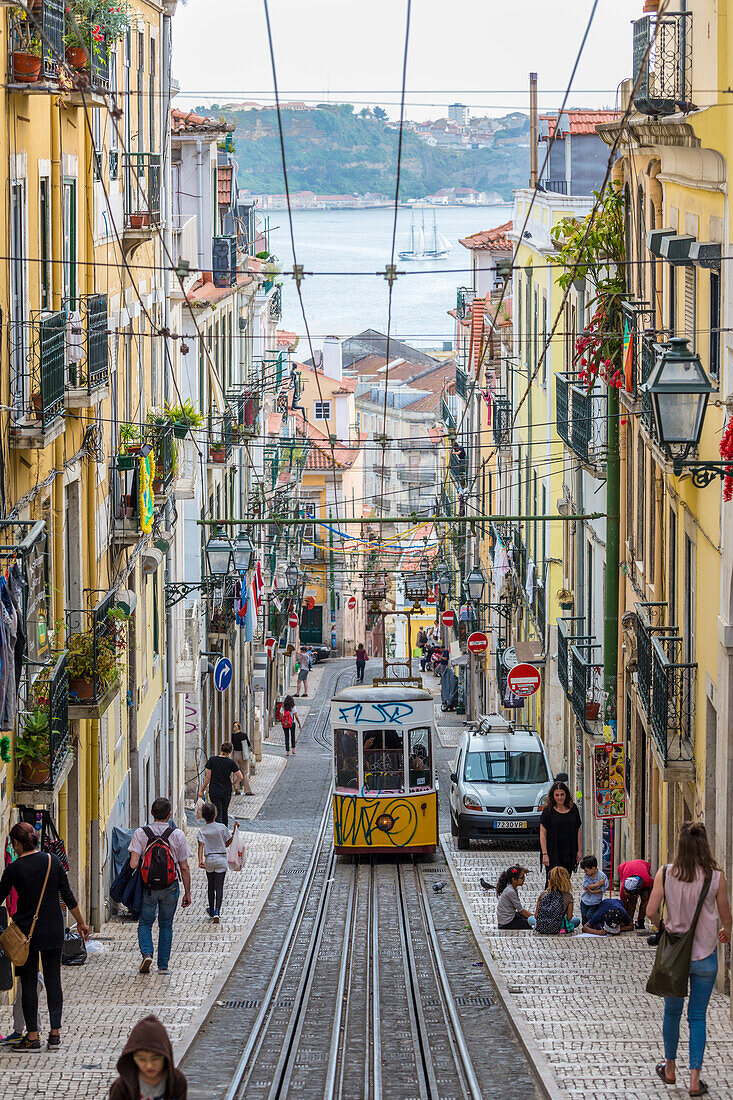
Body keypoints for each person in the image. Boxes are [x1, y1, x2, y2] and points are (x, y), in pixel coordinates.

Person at [647, 821, 731, 1097]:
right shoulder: (716, 877)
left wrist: (664, 928)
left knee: (672, 1012)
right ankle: (695, 1080)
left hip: (675, 958)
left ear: (680, 844)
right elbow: (726, 918)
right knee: (697, 1017)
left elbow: (650, 912)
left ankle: (670, 1068)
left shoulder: (666, 873)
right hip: (705, 956)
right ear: (705, 844)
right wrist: (724, 931)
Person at [0, 822, 89, 1052]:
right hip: (53, 929)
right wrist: (81, 922)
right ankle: (55, 1035)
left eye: (13, 843)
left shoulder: (15, 869)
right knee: (53, 980)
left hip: (26, 933)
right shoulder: (53, 861)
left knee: (28, 982)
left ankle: (32, 1037)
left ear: (17, 843)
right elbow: (68, 896)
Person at [129, 798, 192, 975]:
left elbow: (134, 864)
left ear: (151, 813)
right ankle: (163, 965)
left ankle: (147, 954)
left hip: (148, 887)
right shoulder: (177, 835)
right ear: (169, 814)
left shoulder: (141, 833)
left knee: (145, 923)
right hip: (170, 886)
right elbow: (184, 866)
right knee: (166, 924)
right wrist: (187, 892)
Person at [109, 1014, 187, 1100]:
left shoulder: (177, 1082)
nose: (149, 1065)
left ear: (165, 1057)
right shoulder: (122, 1087)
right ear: (133, 1058)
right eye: (142, 1059)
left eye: (155, 1059)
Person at [197, 803, 237, 922]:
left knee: (211, 885)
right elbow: (227, 843)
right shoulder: (221, 827)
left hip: (209, 858)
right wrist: (234, 831)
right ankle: (217, 912)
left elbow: (200, 846)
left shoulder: (202, 830)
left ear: (203, 816)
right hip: (221, 858)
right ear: (215, 815)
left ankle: (211, 909)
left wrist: (200, 860)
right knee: (219, 887)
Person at [539, 781, 582, 881]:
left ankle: (563, 897)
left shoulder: (573, 809)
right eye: (557, 795)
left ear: (566, 794)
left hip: (569, 851)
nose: (560, 797)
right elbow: (542, 834)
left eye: (562, 794)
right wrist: (545, 854)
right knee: (553, 881)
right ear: (552, 796)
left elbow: (578, 830)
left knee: (565, 881)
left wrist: (580, 850)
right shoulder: (548, 811)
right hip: (553, 851)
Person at [198, 742, 243, 828]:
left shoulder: (212, 760)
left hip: (214, 789)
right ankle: (224, 831)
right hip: (226, 790)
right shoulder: (231, 763)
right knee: (224, 811)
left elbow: (208, 777)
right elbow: (240, 777)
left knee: (217, 811)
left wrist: (202, 790)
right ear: (230, 752)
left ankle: (217, 830)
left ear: (220, 749)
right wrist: (233, 784)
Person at [534, 866, 580, 934]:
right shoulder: (568, 896)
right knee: (576, 920)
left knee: (530, 919)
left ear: (550, 881)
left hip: (542, 925)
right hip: (558, 925)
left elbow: (536, 915)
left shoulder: (543, 894)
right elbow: (569, 918)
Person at [618, 856, 654, 929]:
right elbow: (623, 904)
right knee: (632, 901)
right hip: (624, 868)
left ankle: (640, 921)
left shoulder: (647, 880)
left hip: (642, 866)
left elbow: (652, 890)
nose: (625, 894)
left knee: (645, 897)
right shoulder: (623, 888)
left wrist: (647, 902)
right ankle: (629, 920)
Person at [496, 866, 536, 930]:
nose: (524, 880)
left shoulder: (512, 889)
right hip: (507, 922)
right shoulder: (510, 891)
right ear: (514, 879)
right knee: (532, 924)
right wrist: (534, 917)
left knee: (527, 919)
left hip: (509, 917)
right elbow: (521, 910)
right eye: (522, 878)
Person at [579, 855, 609, 925]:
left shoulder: (602, 876)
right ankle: (585, 929)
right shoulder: (587, 876)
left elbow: (604, 888)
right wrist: (598, 884)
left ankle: (591, 927)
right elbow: (586, 886)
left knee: (589, 915)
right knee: (584, 916)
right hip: (585, 900)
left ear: (593, 868)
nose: (585, 872)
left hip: (595, 901)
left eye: (586, 870)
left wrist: (593, 891)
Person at [230, 722, 254, 797]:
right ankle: (247, 790)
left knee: (235, 772)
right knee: (245, 772)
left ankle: (237, 789)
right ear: (240, 727)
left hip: (235, 754)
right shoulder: (243, 735)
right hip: (243, 755)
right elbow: (248, 744)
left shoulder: (233, 736)